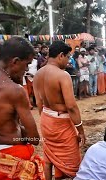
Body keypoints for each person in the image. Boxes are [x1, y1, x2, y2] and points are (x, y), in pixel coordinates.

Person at [0, 37, 44, 179]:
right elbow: (34, 138)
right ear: (15, 62)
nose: (26, 70)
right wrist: (20, 134)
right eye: (27, 65)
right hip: (12, 155)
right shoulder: (15, 90)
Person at [33, 41, 85, 180]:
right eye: (68, 57)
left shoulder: (37, 74)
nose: (68, 61)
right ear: (61, 55)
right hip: (61, 123)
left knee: (49, 157)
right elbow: (71, 106)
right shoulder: (63, 75)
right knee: (72, 162)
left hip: (46, 119)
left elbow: (38, 102)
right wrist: (80, 130)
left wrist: (47, 118)